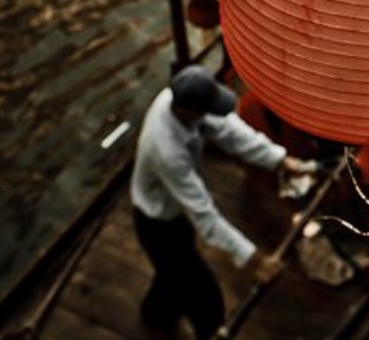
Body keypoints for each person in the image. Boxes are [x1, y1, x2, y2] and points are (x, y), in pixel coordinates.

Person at [130, 65, 317, 338]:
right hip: (157, 222)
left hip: (176, 216)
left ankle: (156, 318)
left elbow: (230, 131)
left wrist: (280, 160)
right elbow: (205, 216)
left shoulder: (181, 103)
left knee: (171, 277)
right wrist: (255, 260)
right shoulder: (166, 150)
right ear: (185, 110)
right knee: (205, 299)